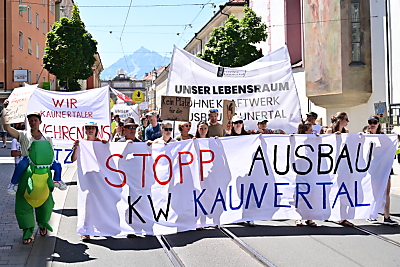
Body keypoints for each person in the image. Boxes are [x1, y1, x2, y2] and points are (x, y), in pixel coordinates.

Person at [3, 108, 66, 195]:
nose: (33, 122)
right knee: (21, 164)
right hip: (28, 160)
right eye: (31, 120)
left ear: (40, 122)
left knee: (57, 164)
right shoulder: (23, 135)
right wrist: (5, 110)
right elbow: (7, 128)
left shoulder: (47, 138)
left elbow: (50, 153)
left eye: (35, 120)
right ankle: (13, 183)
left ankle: (57, 180)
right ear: (28, 122)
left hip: (43, 161)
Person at [71, 121, 108, 241]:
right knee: (86, 204)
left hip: (99, 178)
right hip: (86, 178)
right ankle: (85, 230)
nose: (90, 130)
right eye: (88, 128)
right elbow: (73, 159)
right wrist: (76, 147)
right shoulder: (81, 142)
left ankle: (101, 228)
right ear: (85, 130)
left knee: (100, 204)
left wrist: (106, 146)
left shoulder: (100, 142)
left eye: (93, 128)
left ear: (96, 130)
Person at [364, 116, 398, 225]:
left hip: (385, 167)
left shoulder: (384, 136)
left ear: (378, 123)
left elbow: (392, 146)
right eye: (370, 122)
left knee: (386, 192)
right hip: (373, 168)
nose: (372, 124)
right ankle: (372, 214)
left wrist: (396, 137)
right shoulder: (365, 136)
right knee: (374, 191)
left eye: (375, 122)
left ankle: (386, 216)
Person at [325, 112, 353, 227]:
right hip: (331, 166)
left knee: (343, 191)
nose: (348, 121)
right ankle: (328, 213)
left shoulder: (346, 132)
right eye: (346, 119)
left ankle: (342, 216)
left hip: (342, 165)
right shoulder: (329, 131)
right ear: (340, 120)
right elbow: (325, 145)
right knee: (330, 190)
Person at [293, 121, 318, 227]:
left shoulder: (313, 140)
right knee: (300, 194)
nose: (312, 132)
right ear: (304, 131)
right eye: (310, 130)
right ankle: (298, 217)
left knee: (311, 194)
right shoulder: (296, 140)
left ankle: (309, 217)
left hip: (311, 170)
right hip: (299, 170)